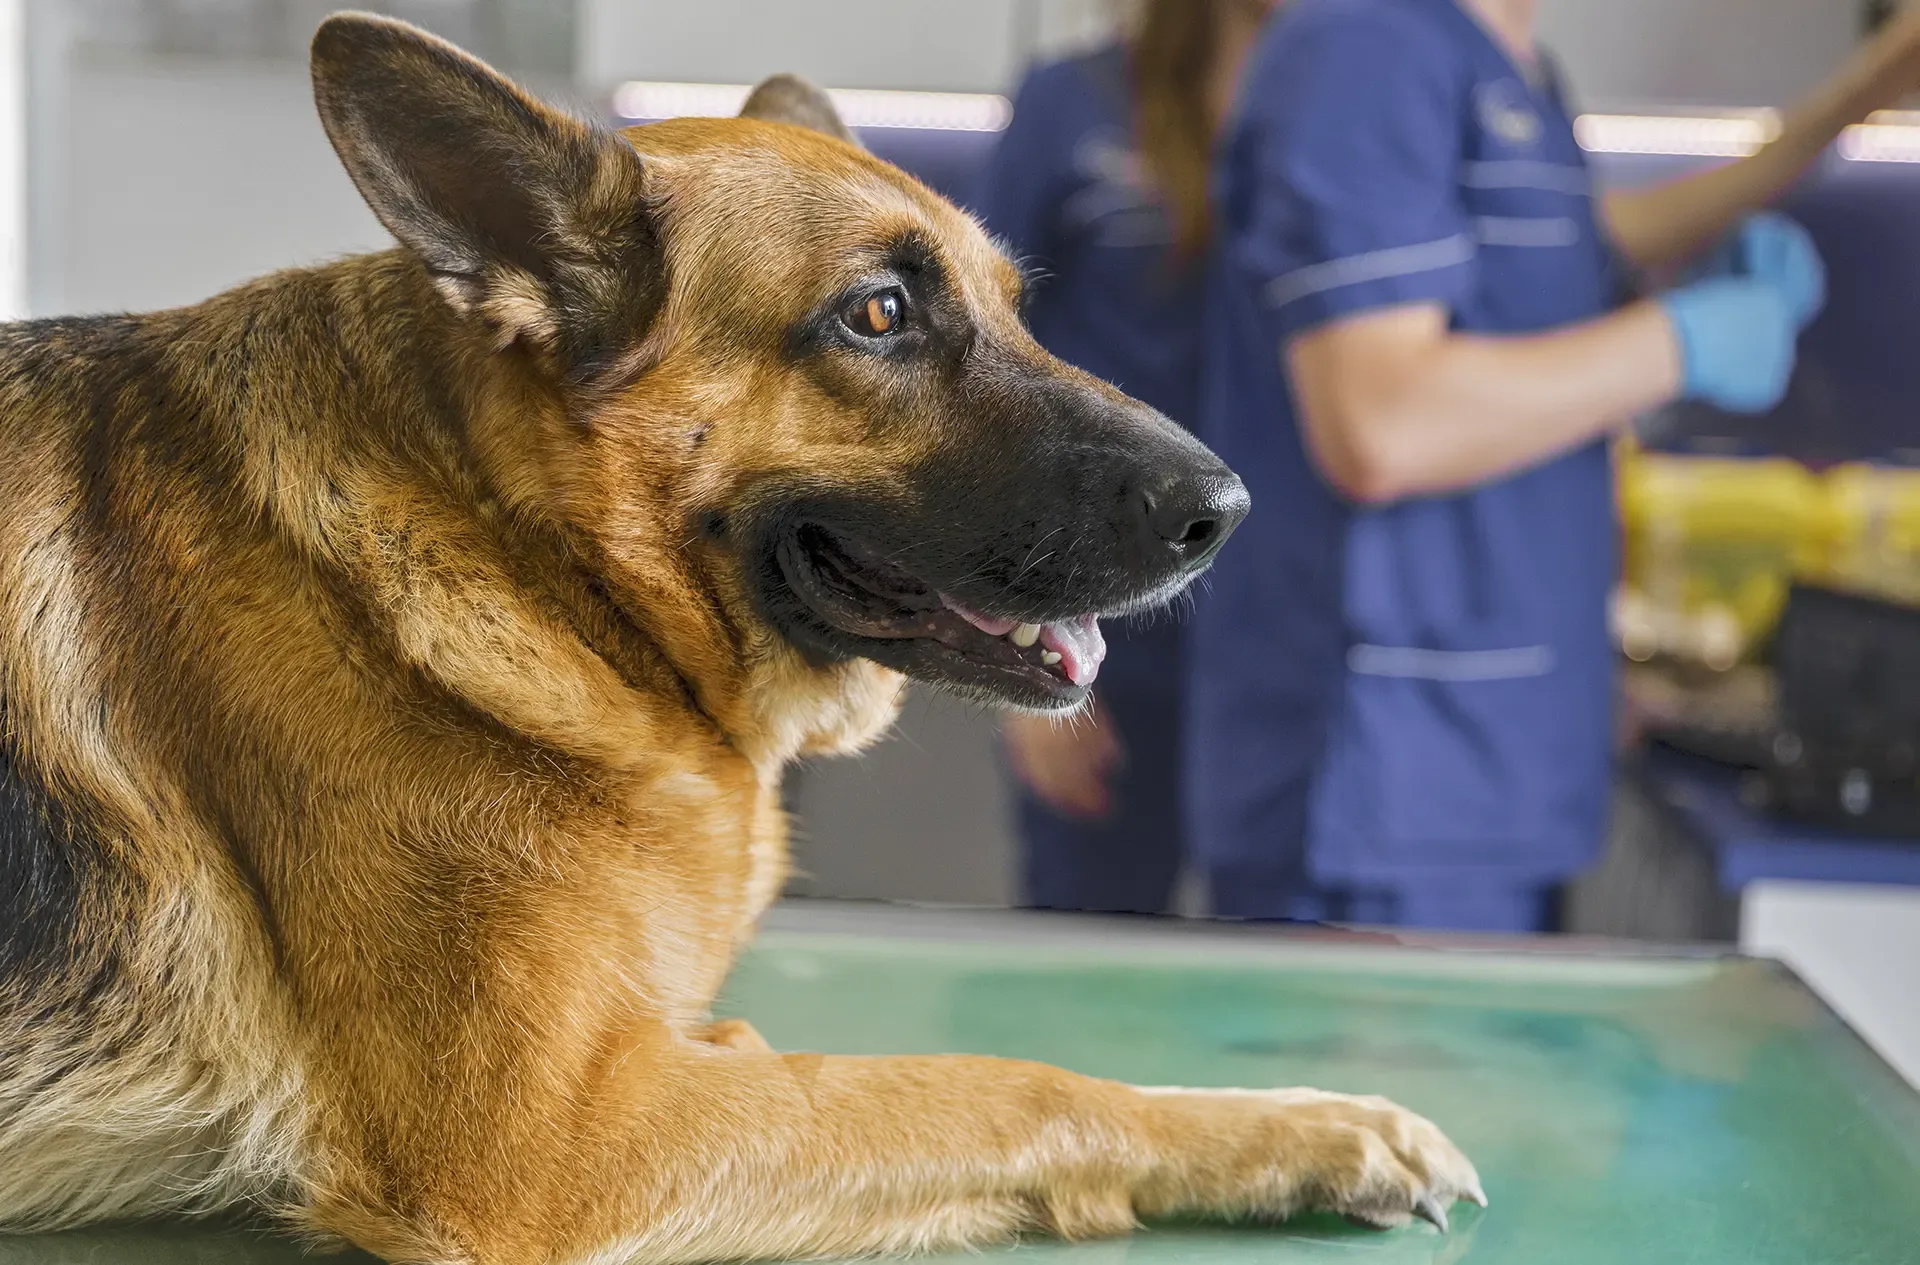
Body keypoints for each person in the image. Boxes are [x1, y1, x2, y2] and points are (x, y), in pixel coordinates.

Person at [1188, 0, 1920, 929]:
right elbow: (1380, 425)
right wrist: (1681, 342)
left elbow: (1587, 243)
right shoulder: (1361, 48)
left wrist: (1865, 94)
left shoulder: (1512, 63)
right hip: (1391, 781)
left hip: (1489, 770)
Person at [979, 0, 1281, 914]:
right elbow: (977, 369)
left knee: (1279, 990)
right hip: (1102, 623)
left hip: (1289, 643)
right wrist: (1014, 654)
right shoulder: (1074, 102)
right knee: (1092, 953)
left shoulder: (1358, 110)